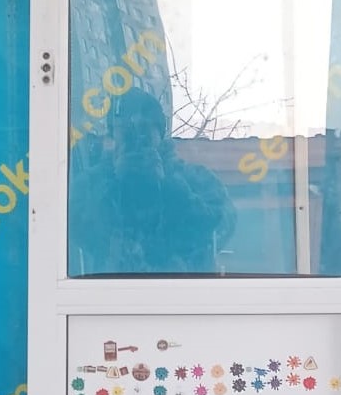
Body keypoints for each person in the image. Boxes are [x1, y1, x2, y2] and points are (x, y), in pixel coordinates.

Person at [73, 88, 235, 275]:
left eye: (144, 133)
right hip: (111, 290)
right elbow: (76, 233)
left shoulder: (197, 179)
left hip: (183, 289)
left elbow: (220, 227)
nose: (137, 142)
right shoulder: (92, 183)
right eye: (127, 134)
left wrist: (170, 184)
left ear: (160, 134)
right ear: (113, 136)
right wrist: (115, 184)